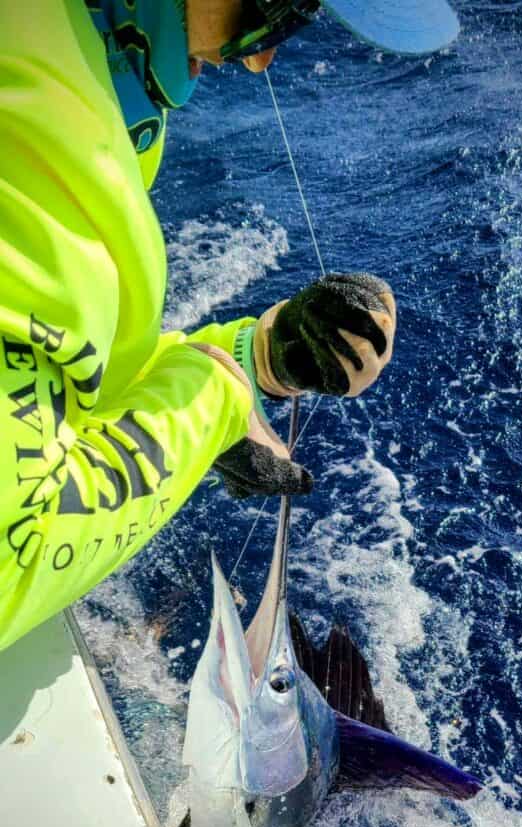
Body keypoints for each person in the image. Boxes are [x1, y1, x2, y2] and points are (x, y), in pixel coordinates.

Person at [0, 0, 459, 653]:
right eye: (279, 9)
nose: (261, 59)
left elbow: (57, 369)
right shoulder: (39, 142)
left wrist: (259, 360)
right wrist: (213, 406)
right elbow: (10, 559)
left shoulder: (63, 53)